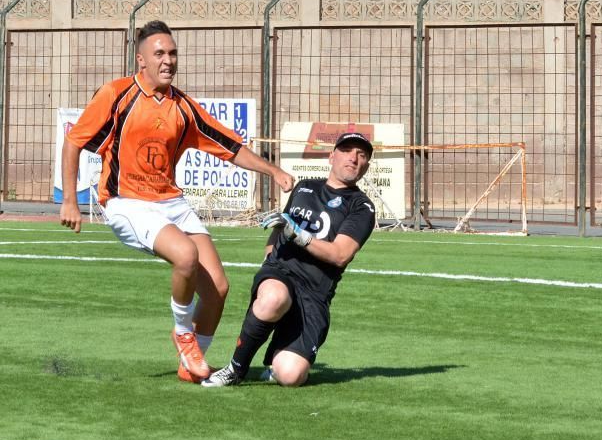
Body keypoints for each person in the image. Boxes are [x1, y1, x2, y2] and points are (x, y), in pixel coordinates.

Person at [59, 20, 294, 383]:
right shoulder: (116, 95)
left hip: (171, 202)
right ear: (141, 60)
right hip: (126, 202)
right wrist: (70, 201)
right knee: (185, 255)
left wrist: (272, 170)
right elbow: (74, 142)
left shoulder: (183, 107)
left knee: (217, 288)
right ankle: (183, 332)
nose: (167, 60)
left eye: (172, 53)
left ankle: (190, 364)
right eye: (159, 54)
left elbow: (229, 147)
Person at [202, 132, 376, 387]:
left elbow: (340, 255)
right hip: (281, 271)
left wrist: (297, 235)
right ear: (331, 156)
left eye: (361, 155)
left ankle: (277, 356)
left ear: (366, 166)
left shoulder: (362, 207)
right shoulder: (305, 186)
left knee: (291, 376)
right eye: (347, 150)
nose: (353, 158)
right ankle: (235, 369)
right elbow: (278, 226)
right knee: (274, 297)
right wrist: (268, 260)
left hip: (315, 293)